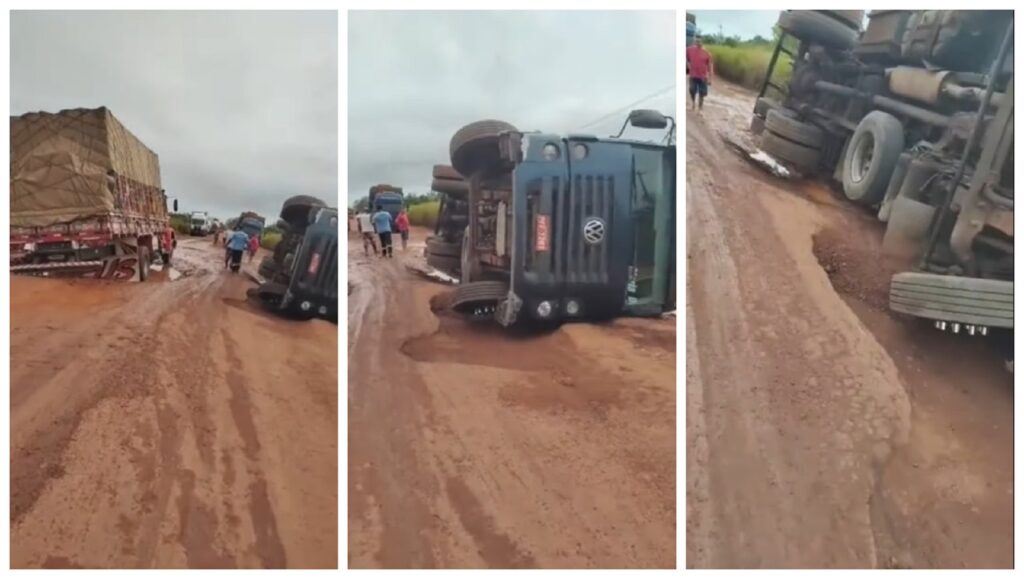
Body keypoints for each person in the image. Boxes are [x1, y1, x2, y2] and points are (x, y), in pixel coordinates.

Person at [686, 36, 714, 113]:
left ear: (703, 42)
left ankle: (700, 108)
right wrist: (688, 65)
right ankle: (693, 104)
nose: (698, 43)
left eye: (700, 41)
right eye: (697, 41)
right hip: (693, 75)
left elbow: (710, 66)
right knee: (692, 90)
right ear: (695, 41)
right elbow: (686, 58)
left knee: (702, 93)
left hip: (703, 76)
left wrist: (710, 79)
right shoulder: (689, 50)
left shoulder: (707, 53)